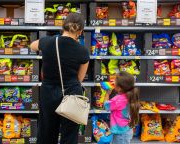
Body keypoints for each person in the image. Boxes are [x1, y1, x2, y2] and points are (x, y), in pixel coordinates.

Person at [30, 13, 90, 144]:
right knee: (69, 134)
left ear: (63, 27)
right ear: (80, 31)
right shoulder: (83, 51)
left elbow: (33, 45)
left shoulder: (48, 42)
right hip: (72, 94)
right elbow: (79, 79)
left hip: (49, 93)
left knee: (47, 131)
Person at [104, 71, 140, 144]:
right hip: (126, 130)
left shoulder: (118, 100)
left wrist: (107, 93)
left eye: (115, 81)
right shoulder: (130, 96)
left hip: (120, 133)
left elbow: (106, 106)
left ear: (119, 88)